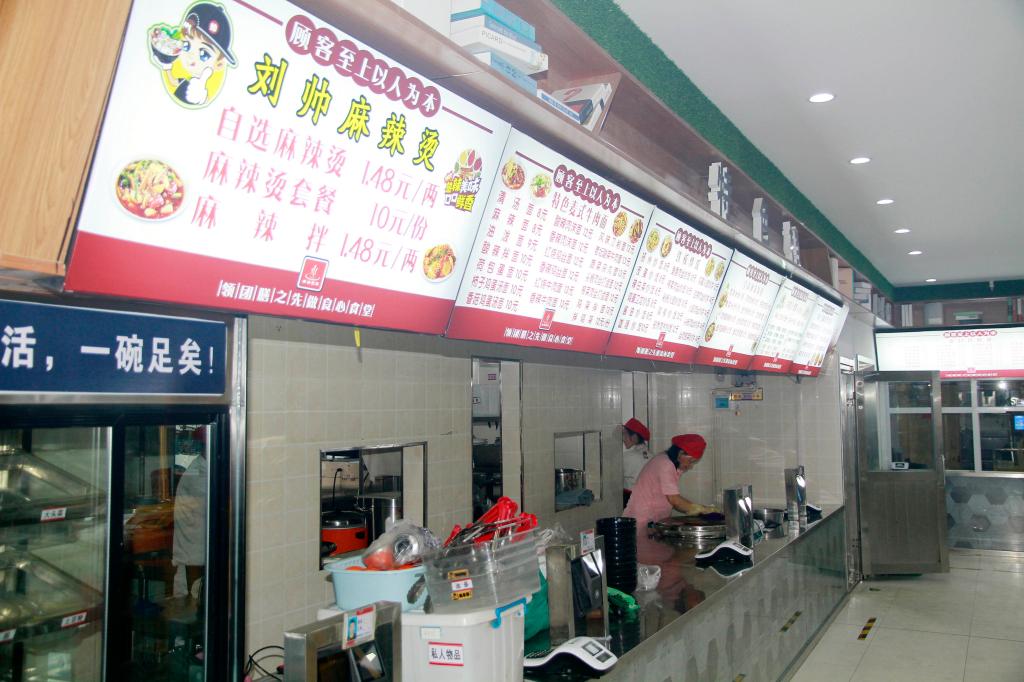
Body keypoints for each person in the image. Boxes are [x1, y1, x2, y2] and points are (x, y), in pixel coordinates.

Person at [623, 433, 714, 532]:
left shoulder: (670, 463)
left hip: (653, 520)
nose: (691, 466)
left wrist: (699, 508)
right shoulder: (665, 464)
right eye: (691, 461)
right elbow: (674, 500)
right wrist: (701, 509)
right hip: (642, 521)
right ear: (680, 453)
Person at [621, 417, 651, 507]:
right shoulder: (652, 456)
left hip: (630, 500)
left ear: (634, 437)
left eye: (625, 434)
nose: (623, 439)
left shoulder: (626, 457)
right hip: (649, 500)